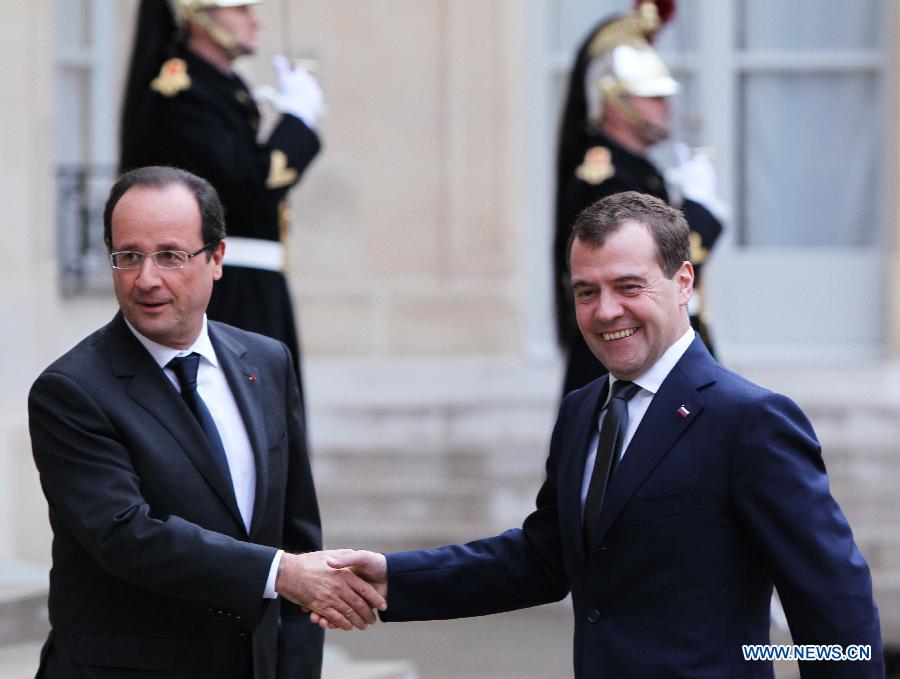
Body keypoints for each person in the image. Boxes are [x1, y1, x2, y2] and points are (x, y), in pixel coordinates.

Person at [320, 192, 883, 678]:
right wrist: (393, 579)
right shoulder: (583, 409)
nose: (605, 310)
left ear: (683, 281)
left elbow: (833, 600)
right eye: (586, 291)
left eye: (628, 286)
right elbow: (545, 558)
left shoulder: (749, 419)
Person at [28, 167, 384, 679]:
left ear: (216, 258)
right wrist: (278, 573)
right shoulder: (71, 391)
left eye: (171, 255)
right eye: (129, 256)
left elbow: (297, 533)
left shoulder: (266, 361)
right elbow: (126, 536)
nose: (146, 278)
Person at [119, 0, 323, 416]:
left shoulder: (220, 87)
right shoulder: (181, 92)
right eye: (241, 8)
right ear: (200, 15)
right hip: (228, 291)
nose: (254, 19)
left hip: (253, 285)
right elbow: (250, 185)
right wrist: (297, 124)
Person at [554, 0, 724, 396]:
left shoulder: (639, 168)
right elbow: (648, 261)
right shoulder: (604, 175)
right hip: (625, 355)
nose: (666, 108)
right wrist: (701, 214)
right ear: (614, 102)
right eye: (652, 98)